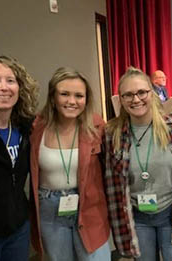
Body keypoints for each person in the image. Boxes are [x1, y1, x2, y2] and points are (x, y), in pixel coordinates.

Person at [104, 67, 172, 260]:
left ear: (152, 93)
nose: (135, 99)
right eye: (128, 95)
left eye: (141, 92)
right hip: (137, 218)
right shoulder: (112, 133)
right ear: (120, 99)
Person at [29, 67, 111, 260]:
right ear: (53, 98)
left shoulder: (97, 126)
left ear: (86, 99)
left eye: (79, 95)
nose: (72, 101)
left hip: (90, 208)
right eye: (64, 94)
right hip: (50, 210)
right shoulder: (36, 128)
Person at [0, 55, 38, 260]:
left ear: (19, 88)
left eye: (10, 80)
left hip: (18, 229)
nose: (4, 87)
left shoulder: (25, 128)